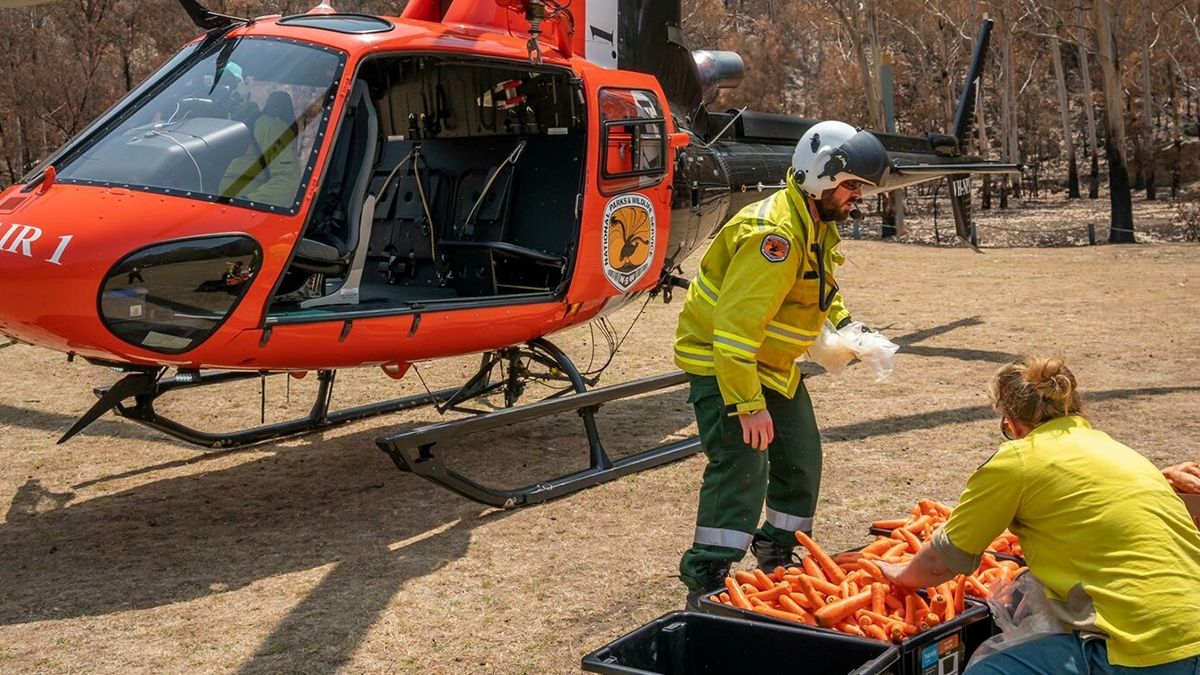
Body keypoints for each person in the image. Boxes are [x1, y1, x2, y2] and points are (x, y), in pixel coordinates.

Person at [674, 120, 890, 608]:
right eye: (852, 185)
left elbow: (816, 290)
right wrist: (748, 405)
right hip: (725, 365)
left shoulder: (813, 223)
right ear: (821, 176)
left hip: (770, 365)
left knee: (800, 455)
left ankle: (779, 552)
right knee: (742, 463)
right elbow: (733, 333)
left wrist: (847, 325)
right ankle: (708, 574)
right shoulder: (775, 237)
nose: (858, 196)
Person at [878, 356, 1200, 674]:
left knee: (989, 671)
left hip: (1147, 651)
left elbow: (941, 562)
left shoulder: (1018, 460)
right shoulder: (1119, 451)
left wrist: (898, 575)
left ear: (1012, 422)